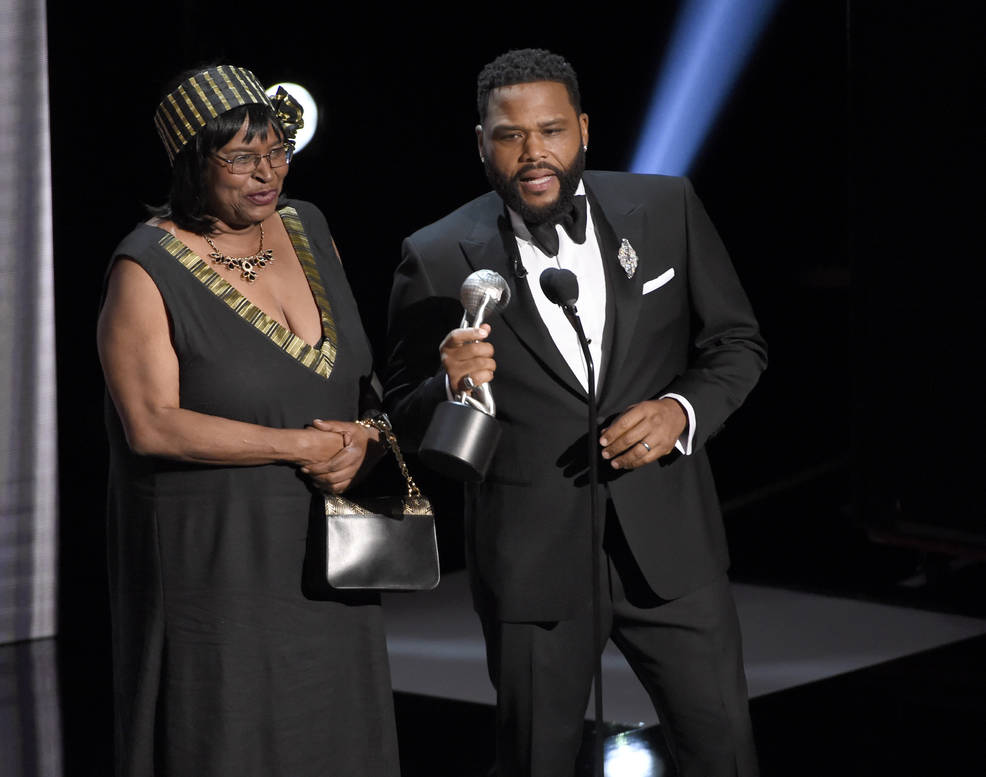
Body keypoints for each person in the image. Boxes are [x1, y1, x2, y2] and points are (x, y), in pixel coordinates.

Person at [383, 49, 767, 777]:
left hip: (672, 554)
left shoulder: (664, 208)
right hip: (533, 564)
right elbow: (399, 413)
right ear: (481, 144)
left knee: (724, 753)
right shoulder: (434, 255)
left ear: (583, 129)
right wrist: (444, 381)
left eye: (551, 129)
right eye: (509, 135)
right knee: (536, 762)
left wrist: (681, 412)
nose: (533, 153)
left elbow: (737, 343)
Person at [97, 65, 399, 777]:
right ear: (193, 164)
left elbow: (359, 378)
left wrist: (370, 435)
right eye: (240, 157)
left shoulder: (309, 226)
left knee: (337, 736)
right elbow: (152, 424)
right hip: (220, 565)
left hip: (327, 557)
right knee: (229, 738)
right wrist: (296, 445)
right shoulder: (144, 267)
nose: (266, 173)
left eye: (276, 152)